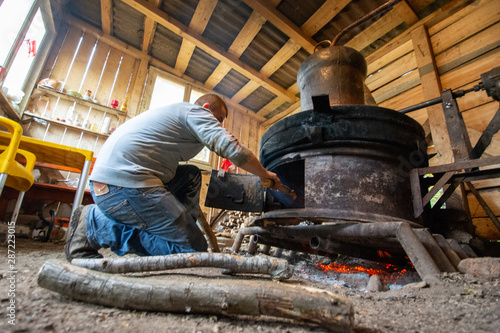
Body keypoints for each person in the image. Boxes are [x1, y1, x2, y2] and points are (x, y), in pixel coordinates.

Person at [65, 94, 281, 261]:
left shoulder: (176, 116)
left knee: (191, 175)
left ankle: (178, 228)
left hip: (117, 182)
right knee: (192, 250)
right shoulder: (195, 112)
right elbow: (233, 149)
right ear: (206, 109)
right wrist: (266, 174)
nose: (220, 125)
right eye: (220, 119)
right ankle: (94, 225)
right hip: (121, 187)